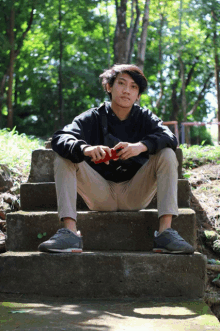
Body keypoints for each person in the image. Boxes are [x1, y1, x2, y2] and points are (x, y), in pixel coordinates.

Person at [38, 64, 194, 254]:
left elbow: (170, 138)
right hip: (100, 193)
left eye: (133, 87)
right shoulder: (93, 117)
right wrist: (86, 149)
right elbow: (60, 137)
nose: (127, 90)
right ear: (109, 87)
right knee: (65, 157)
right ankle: (69, 233)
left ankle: (165, 233)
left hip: (135, 193)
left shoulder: (145, 117)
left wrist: (141, 146)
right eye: (121, 83)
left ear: (138, 95)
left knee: (168, 153)